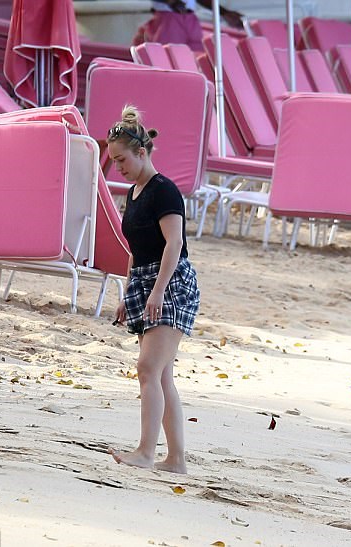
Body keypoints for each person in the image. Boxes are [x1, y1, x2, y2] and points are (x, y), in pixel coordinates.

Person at [107, 105, 200, 475]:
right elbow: (136, 250)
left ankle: (146, 452)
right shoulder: (134, 193)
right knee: (160, 374)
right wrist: (128, 293)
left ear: (142, 152)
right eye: (113, 161)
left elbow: (174, 244)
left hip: (172, 283)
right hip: (145, 282)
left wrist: (158, 291)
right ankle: (175, 460)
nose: (117, 167)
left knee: (147, 367)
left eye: (121, 159)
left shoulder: (165, 192)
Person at [132, 0, 244, 52]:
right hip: (169, 18)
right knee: (169, 57)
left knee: (198, 58)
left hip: (190, 17)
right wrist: (171, 2)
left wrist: (224, 12)